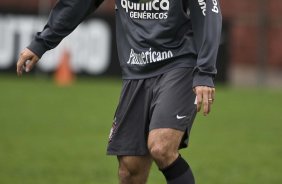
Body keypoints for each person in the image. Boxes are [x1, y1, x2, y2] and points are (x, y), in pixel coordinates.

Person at [17, 0, 222, 183]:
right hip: (136, 69)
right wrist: (41, 42)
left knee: (161, 147)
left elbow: (208, 10)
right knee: (130, 170)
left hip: (180, 64)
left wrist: (204, 71)